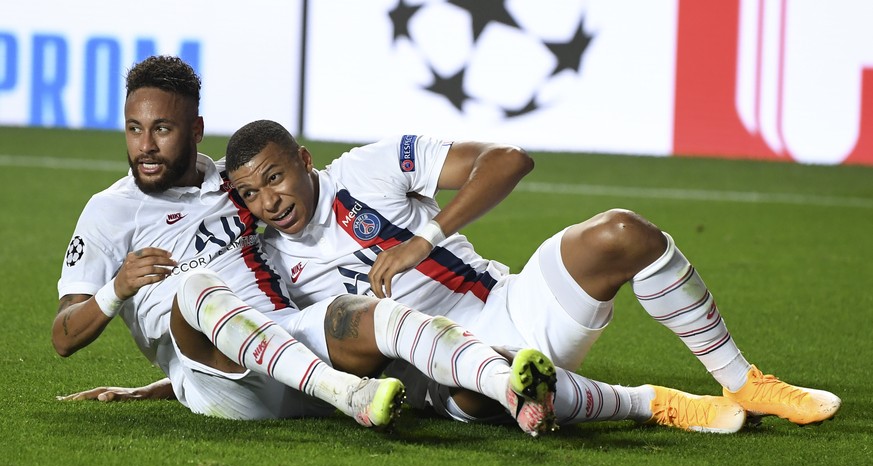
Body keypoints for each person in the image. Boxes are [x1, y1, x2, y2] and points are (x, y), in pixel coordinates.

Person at [52, 55, 560, 436]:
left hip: (293, 346)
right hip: (218, 374)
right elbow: (63, 336)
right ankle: (350, 394)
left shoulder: (239, 184)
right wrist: (116, 290)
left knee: (372, 313)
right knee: (196, 288)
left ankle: (556, 394)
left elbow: (304, 190)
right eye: (134, 129)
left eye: (161, 129)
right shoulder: (107, 213)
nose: (144, 145)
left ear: (196, 130)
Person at [219, 119, 840, 430]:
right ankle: (651, 403)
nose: (269, 201)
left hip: (514, 303)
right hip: (447, 373)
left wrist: (423, 239)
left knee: (624, 233)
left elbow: (508, 160)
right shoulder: (270, 264)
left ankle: (742, 381)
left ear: (303, 160)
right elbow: (267, 347)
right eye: (250, 195)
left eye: (275, 178)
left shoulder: (370, 170)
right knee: (491, 386)